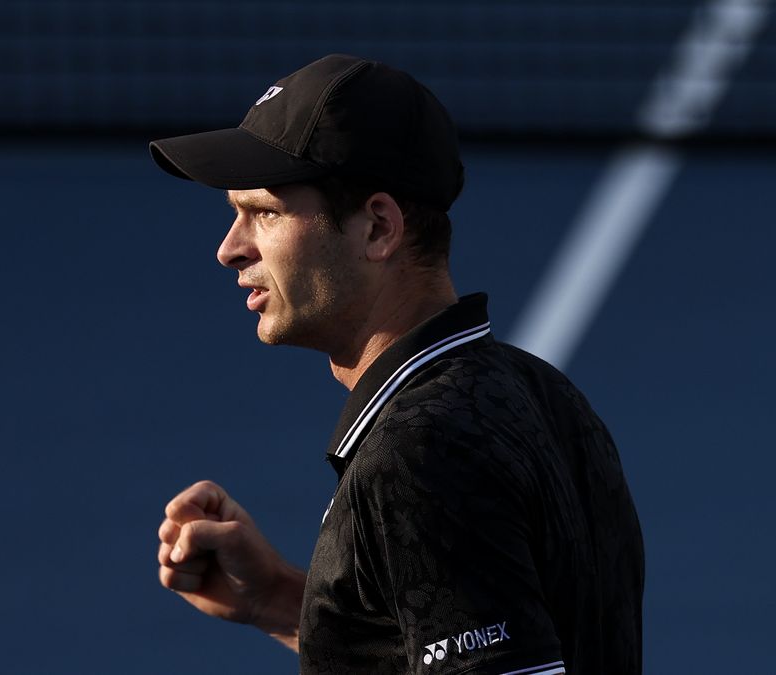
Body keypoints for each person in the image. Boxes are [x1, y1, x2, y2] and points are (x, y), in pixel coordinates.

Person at [150, 53, 644, 674]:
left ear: (378, 227)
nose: (230, 249)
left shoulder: (420, 453)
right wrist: (280, 599)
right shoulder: (543, 394)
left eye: (266, 213)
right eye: (234, 214)